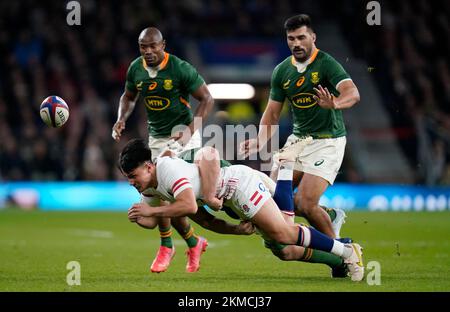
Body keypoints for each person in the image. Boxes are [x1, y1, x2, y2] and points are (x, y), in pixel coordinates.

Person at [121, 138, 364, 281]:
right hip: (234, 202)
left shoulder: (168, 168)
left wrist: (152, 211)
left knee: (285, 234)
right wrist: (139, 216)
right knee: (285, 250)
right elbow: (202, 221)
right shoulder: (150, 190)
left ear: (149, 166)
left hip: (240, 185)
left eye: (133, 176)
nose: (132, 182)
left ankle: (346, 251)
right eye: (128, 178)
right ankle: (286, 164)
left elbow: (189, 204)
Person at [240, 14, 361, 239]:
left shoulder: (326, 64)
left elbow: (353, 93)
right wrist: (259, 140)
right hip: (298, 140)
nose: (296, 43)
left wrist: (335, 103)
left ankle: (341, 254)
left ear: (313, 37)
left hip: (327, 141)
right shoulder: (282, 71)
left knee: (304, 204)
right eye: (291, 38)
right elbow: (272, 112)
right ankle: (329, 219)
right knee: (275, 199)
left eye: (301, 37)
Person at [111, 27, 217, 273]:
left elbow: (207, 99)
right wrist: (121, 118)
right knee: (159, 192)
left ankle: (175, 244)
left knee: (178, 194)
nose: (147, 51)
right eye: (142, 46)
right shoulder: (136, 69)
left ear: (163, 45)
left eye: (152, 46)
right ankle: (184, 243)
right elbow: (128, 97)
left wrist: (191, 130)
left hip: (184, 136)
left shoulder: (180, 68)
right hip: (157, 139)